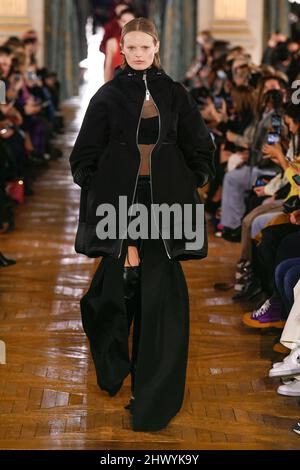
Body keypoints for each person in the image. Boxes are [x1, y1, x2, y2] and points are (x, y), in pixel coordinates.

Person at [69, 17, 215, 432]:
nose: (136, 54)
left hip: (166, 206)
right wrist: (95, 184)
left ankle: (151, 399)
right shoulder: (108, 96)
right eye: (129, 47)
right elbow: (84, 153)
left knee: (162, 308)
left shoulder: (174, 93)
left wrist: (196, 178)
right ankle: (116, 369)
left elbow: (199, 144)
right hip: (121, 206)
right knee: (109, 299)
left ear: (155, 48)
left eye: (143, 47)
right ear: (122, 50)